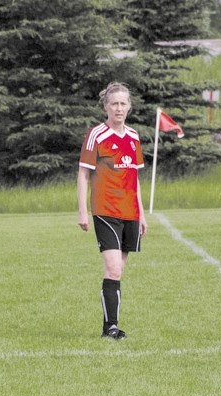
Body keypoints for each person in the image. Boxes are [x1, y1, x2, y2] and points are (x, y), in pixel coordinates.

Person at [77, 81, 147, 340]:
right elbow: (83, 173)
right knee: (113, 268)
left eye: (123, 103)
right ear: (106, 106)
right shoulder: (97, 135)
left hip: (130, 212)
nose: (119, 108)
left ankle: (111, 325)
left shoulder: (133, 137)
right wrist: (82, 211)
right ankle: (111, 328)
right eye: (114, 103)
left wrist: (142, 215)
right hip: (105, 210)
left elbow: (135, 178)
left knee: (118, 271)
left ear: (129, 107)